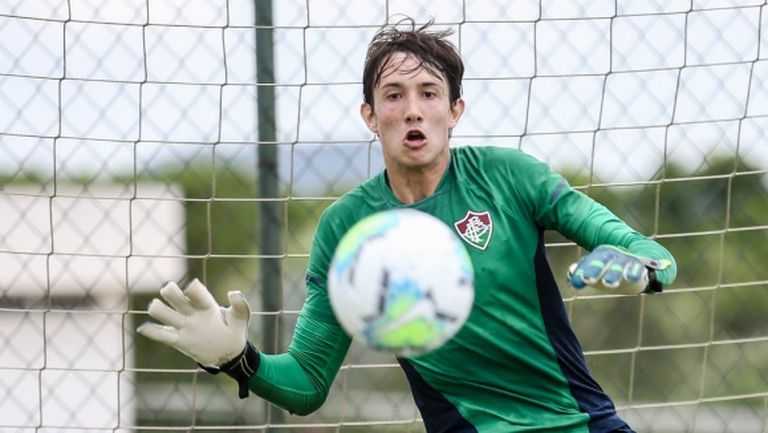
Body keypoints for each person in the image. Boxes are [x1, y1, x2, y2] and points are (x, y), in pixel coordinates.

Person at [138, 18, 677, 433]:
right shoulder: (348, 227)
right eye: (394, 95)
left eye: (429, 93)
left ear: (455, 110)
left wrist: (642, 267)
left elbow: (651, 254)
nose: (413, 110)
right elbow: (307, 383)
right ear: (371, 115)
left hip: (583, 426)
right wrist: (239, 359)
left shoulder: (511, 178)